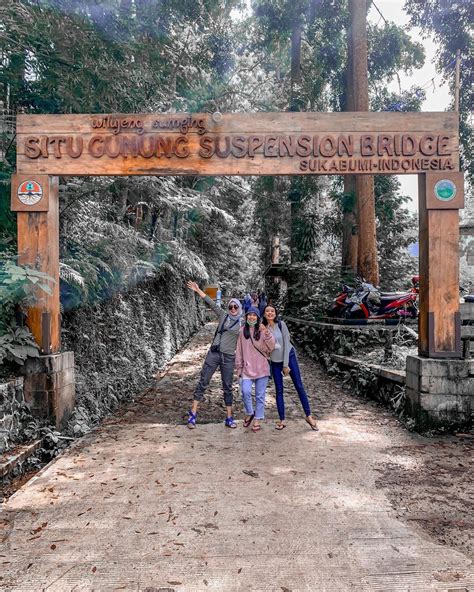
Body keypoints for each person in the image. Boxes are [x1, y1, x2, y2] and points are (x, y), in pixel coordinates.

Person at [186, 280, 242, 429]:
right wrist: (198, 290)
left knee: (227, 386)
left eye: (236, 306)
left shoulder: (242, 324)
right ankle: (193, 413)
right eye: (231, 306)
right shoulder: (223, 315)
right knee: (203, 381)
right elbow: (211, 302)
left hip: (229, 357)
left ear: (240, 308)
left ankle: (229, 417)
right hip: (214, 354)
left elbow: (252, 334)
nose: (233, 308)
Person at [262, 304, 318, 431]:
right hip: (275, 361)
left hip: (289, 357)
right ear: (264, 314)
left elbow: (287, 345)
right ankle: (282, 419)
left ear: (275, 313)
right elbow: (263, 347)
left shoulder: (282, 325)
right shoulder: (263, 328)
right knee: (279, 390)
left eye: (272, 311)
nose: (270, 313)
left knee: (299, 386)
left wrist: (286, 365)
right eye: (267, 311)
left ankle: (309, 416)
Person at [235, 307, 275, 432]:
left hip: (261, 368)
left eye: (254, 315)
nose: (251, 317)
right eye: (249, 315)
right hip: (247, 369)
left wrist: (267, 333)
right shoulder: (242, 331)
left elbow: (272, 346)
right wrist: (239, 368)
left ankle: (257, 418)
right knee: (245, 391)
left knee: (260, 396)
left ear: (258, 317)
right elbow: (239, 351)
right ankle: (249, 412)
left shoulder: (262, 330)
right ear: (246, 317)